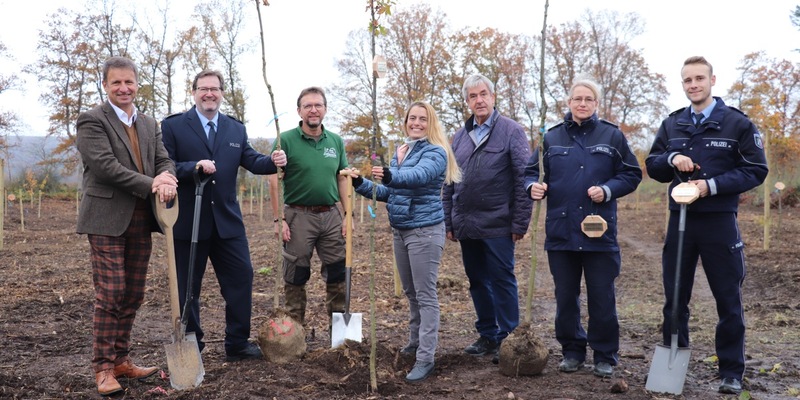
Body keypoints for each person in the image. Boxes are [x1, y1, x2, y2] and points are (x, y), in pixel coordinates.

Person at [645, 56, 768, 395]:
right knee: (674, 298)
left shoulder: (737, 124)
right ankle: (674, 362)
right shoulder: (673, 124)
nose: (693, 84)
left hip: (719, 223)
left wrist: (709, 185)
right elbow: (653, 165)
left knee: (728, 298)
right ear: (683, 84)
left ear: (713, 80)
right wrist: (671, 159)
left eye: (699, 78)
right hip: (681, 221)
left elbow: (756, 170)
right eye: (687, 80)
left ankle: (730, 371)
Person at [160, 69, 287, 362]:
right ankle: (193, 345)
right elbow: (165, 165)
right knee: (187, 287)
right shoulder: (175, 126)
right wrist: (194, 167)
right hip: (188, 223)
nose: (209, 94)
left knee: (242, 278)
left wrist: (273, 161)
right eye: (203, 89)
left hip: (228, 223)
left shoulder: (234, 129)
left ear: (221, 93)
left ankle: (237, 343)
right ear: (193, 92)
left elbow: (251, 159)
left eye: (214, 89)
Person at [525, 79, 642, 378]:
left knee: (602, 296)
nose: (582, 104)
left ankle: (604, 354)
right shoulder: (551, 138)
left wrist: (608, 190)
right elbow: (531, 172)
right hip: (561, 231)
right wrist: (532, 187)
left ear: (596, 104)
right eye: (577, 98)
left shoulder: (612, 136)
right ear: (568, 102)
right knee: (565, 297)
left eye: (588, 99)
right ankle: (572, 351)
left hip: (599, 232)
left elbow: (630, 174)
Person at [76, 56, 178, 396]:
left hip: (141, 217)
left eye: (129, 82)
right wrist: (151, 183)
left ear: (137, 84)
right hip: (106, 217)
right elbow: (105, 167)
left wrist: (167, 177)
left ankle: (121, 360)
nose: (124, 88)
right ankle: (103, 367)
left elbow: (163, 159)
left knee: (133, 292)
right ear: (105, 85)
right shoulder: (91, 121)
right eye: (116, 82)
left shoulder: (149, 123)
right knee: (112, 292)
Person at [345, 101, 461, 382]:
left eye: (423, 119)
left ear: (430, 123)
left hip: (424, 231)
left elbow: (415, 177)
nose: (417, 123)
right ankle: (414, 343)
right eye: (412, 118)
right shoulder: (402, 149)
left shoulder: (436, 152)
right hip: (401, 230)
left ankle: (426, 357)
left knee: (425, 294)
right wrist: (361, 184)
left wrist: (391, 174)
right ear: (406, 121)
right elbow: (392, 191)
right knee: (411, 292)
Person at [442, 74, 533, 364]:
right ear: (467, 101)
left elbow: (523, 178)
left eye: (483, 94)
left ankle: (510, 340)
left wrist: (520, 222)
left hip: (498, 223)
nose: (479, 100)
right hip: (467, 224)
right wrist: (449, 221)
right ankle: (488, 335)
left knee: (502, 280)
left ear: (493, 98)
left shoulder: (512, 131)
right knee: (478, 281)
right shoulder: (459, 136)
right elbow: (449, 181)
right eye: (473, 96)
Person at [268, 87, 348, 332]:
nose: (313, 110)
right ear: (299, 111)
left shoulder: (335, 141)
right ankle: (295, 334)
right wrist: (278, 219)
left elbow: (342, 177)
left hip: (331, 215)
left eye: (318, 105)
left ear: (325, 109)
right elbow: (273, 179)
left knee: (338, 274)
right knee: (295, 275)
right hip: (298, 216)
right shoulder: (286, 141)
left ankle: (340, 336)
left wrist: (348, 215)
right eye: (308, 106)